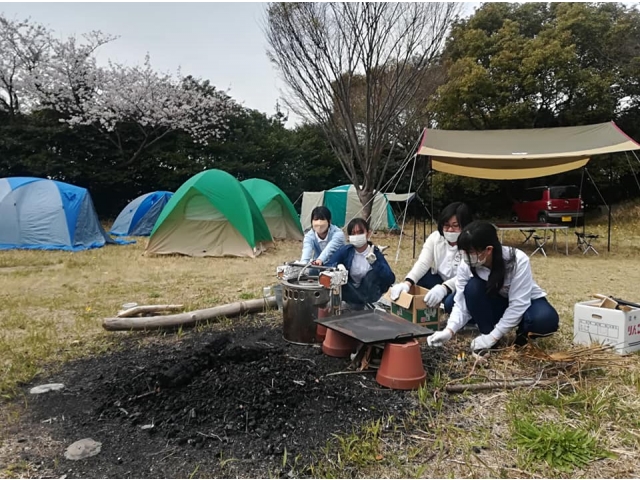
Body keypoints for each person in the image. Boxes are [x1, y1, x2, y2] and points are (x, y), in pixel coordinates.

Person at [427, 220, 560, 351]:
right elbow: (461, 302)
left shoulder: (518, 260)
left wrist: (493, 336)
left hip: (527, 303)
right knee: (467, 291)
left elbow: (518, 304)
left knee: (544, 319)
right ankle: (487, 332)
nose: (466, 257)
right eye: (463, 252)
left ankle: (522, 338)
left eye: (471, 252)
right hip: (497, 302)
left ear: (488, 250)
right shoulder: (466, 264)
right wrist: (449, 331)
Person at [388, 202, 473, 313]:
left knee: (450, 304)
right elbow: (423, 263)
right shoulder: (435, 238)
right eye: (446, 225)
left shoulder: (471, 242)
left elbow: (468, 274)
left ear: (465, 225)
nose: (450, 230)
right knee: (422, 278)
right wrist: (407, 283)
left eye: (455, 226)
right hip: (440, 279)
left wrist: (444, 288)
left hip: (462, 284)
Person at [327, 217, 395, 309]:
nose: (356, 236)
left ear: (368, 233)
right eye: (353, 233)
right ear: (349, 237)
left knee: (372, 275)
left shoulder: (375, 252)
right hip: (349, 296)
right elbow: (328, 267)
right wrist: (337, 268)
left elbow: (390, 278)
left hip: (370, 297)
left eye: (360, 232)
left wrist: (375, 264)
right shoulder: (345, 251)